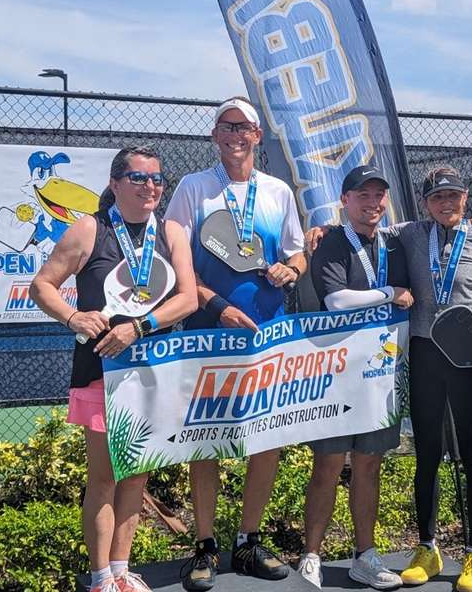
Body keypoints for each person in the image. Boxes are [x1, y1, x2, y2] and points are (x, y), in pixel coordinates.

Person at [30, 146, 198, 592]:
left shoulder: (172, 232)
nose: (151, 187)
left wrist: (140, 327)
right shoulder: (90, 229)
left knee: (137, 475)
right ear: (115, 183)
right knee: (104, 478)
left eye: (158, 179)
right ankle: (101, 577)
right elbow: (42, 285)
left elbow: (188, 298)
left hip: (154, 372)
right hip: (101, 372)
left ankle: (122, 571)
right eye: (139, 178)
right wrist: (73, 317)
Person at [163, 96, 307, 591]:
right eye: (226, 126)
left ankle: (247, 541)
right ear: (214, 135)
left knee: (264, 438)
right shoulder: (193, 189)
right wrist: (214, 305)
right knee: (206, 440)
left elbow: (297, 252)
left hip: (267, 336)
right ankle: (204, 546)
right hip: (205, 333)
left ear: (257, 136)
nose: (234, 134)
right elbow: (176, 266)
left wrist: (291, 268)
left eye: (243, 126)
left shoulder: (278, 191)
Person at [394, 166, 472, 592]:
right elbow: (367, 226)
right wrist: (323, 231)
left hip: (470, 360)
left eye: (454, 195)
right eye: (438, 197)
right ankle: (427, 548)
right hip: (425, 354)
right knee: (427, 454)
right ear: (425, 203)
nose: (446, 203)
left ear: (465, 197)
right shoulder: (411, 234)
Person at [298, 166, 411, 590]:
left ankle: (365, 556)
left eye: (379, 195)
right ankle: (311, 555)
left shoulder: (395, 243)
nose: (373, 203)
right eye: (363, 195)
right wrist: (389, 293)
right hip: (335, 374)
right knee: (327, 465)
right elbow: (337, 301)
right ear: (344, 201)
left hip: (380, 375)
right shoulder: (330, 243)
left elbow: (442, 225)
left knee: (369, 466)